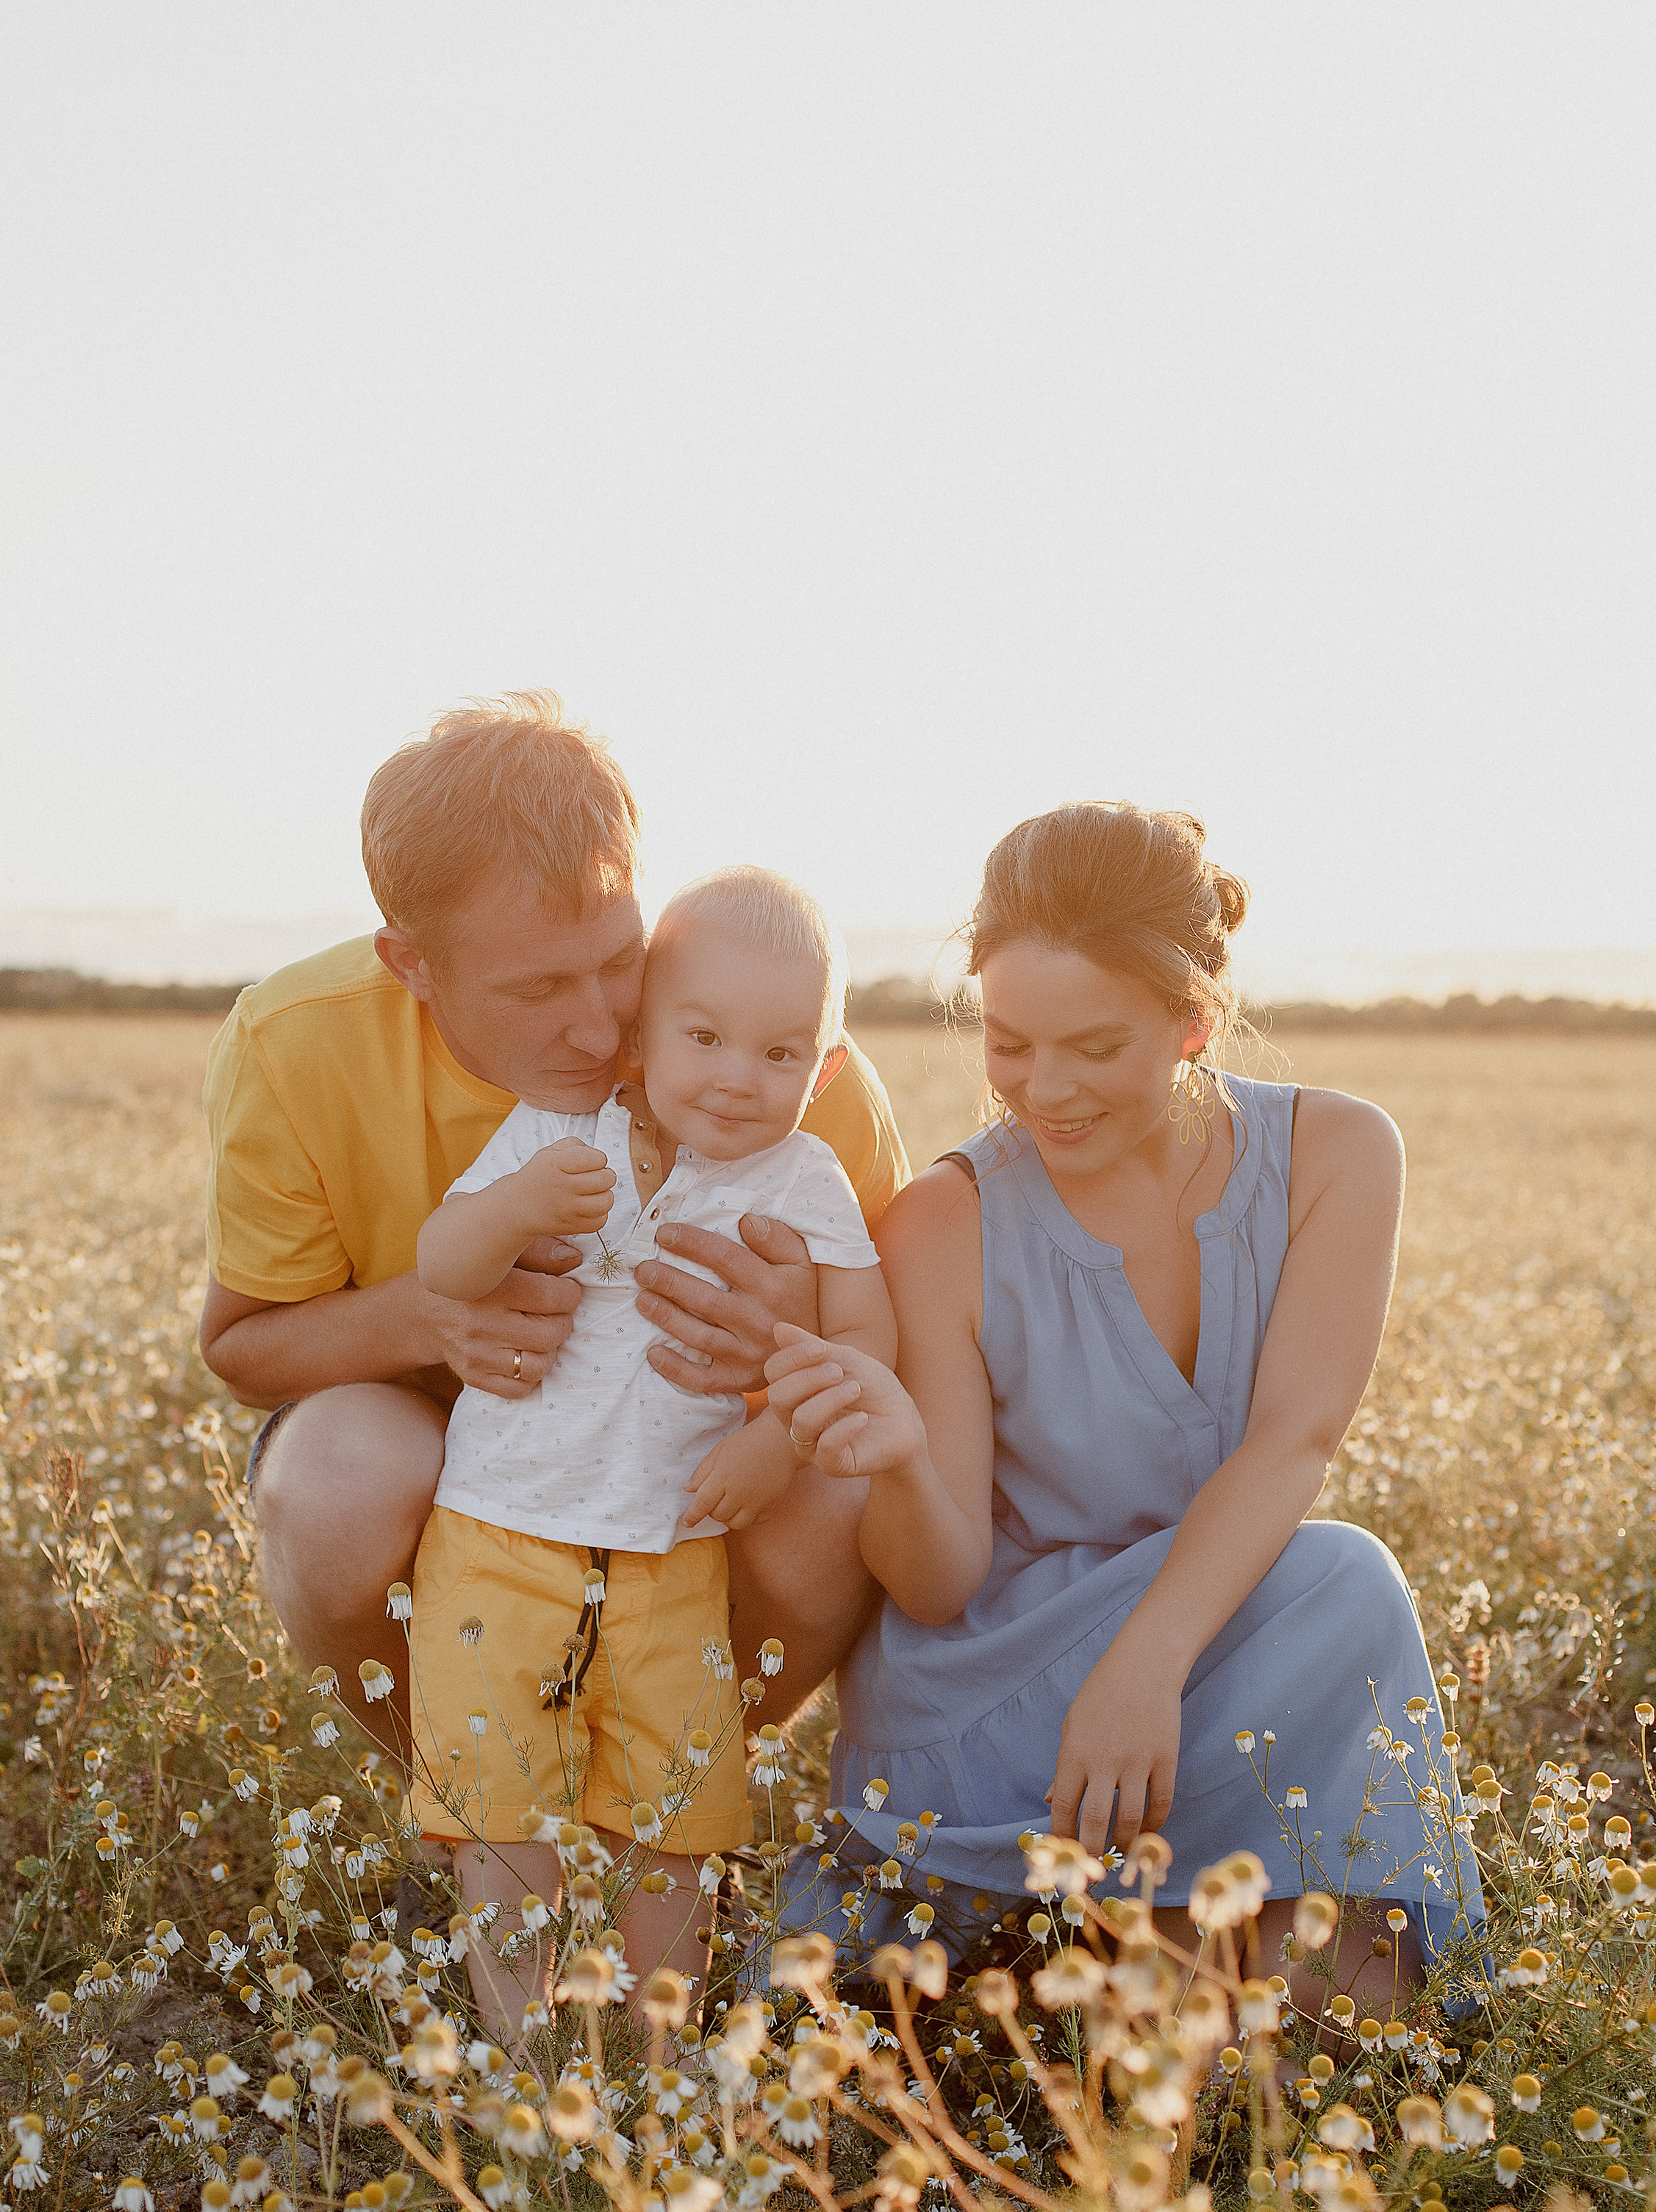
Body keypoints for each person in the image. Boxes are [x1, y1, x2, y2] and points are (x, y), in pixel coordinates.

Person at [765, 801, 1482, 2012]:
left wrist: (1147, 1663)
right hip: (991, 1703)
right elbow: (935, 1586)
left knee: (1353, 2016)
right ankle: (1096, 1944)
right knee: (1346, 1581)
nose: (1043, 1091)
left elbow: (1293, 1440)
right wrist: (894, 1464)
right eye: (1009, 1043)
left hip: (1189, 1663)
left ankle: (1125, 1962)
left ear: (1194, 1018)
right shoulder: (946, 1223)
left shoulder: (1341, 1155)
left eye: (1094, 1048)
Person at [197, 693, 909, 1756]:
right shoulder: (293, 1043)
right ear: (413, 966)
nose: (598, 1024)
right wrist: (433, 1321)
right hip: (444, 1451)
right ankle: (462, 1806)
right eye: (534, 987)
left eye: (618, 959)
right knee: (336, 1482)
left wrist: (791, 1333)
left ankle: (672, 1808)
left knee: (844, 1495)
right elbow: (244, 1348)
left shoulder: (762, 1052)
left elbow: (899, 1357)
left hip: (696, 1461)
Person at [406, 867, 896, 2040]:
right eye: (706, 1036)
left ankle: (650, 2051)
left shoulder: (806, 1178)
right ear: (642, 1036)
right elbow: (445, 1264)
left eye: (782, 1055)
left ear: (824, 1070)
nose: (739, 1076)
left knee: (673, 1816)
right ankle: (525, 2049)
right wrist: (519, 1204)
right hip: (498, 1524)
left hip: (674, 1546)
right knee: (499, 1808)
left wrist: (781, 1433)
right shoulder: (555, 1131)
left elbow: (866, 1340)